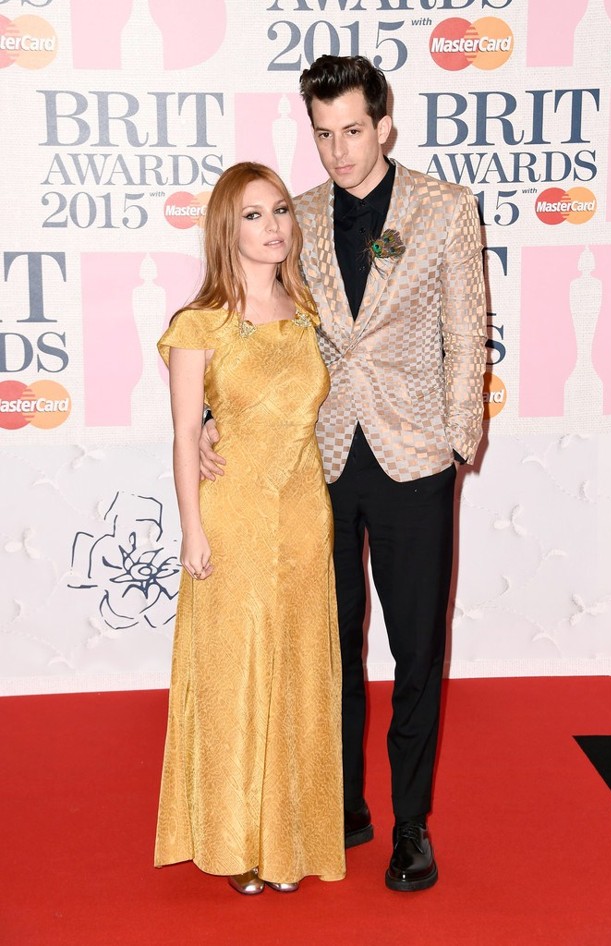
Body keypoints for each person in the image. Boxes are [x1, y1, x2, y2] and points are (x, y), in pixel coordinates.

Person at [200, 56, 487, 892]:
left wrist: (456, 440)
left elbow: (467, 334)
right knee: (328, 649)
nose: (339, 152)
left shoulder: (444, 209)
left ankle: (411, 827)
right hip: (314, 464)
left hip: (413, 460)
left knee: (416, 652)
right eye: (323, 134)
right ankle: (343, 805)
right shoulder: (299, 216)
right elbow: (253, 321)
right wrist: (217, 410)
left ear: (384, 126)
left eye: (353, 131)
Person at [155, 162, 345, 895]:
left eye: (280, 213)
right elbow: (181, 437)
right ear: (225, 232)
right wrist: (191, 530)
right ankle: (236, 841)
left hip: (302, 515)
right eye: (254, 217)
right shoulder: (198, 324)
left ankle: (287, 839)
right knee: (236, 675)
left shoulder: (309, 314)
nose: (274, 228)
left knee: (298, 669)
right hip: (230, 517)